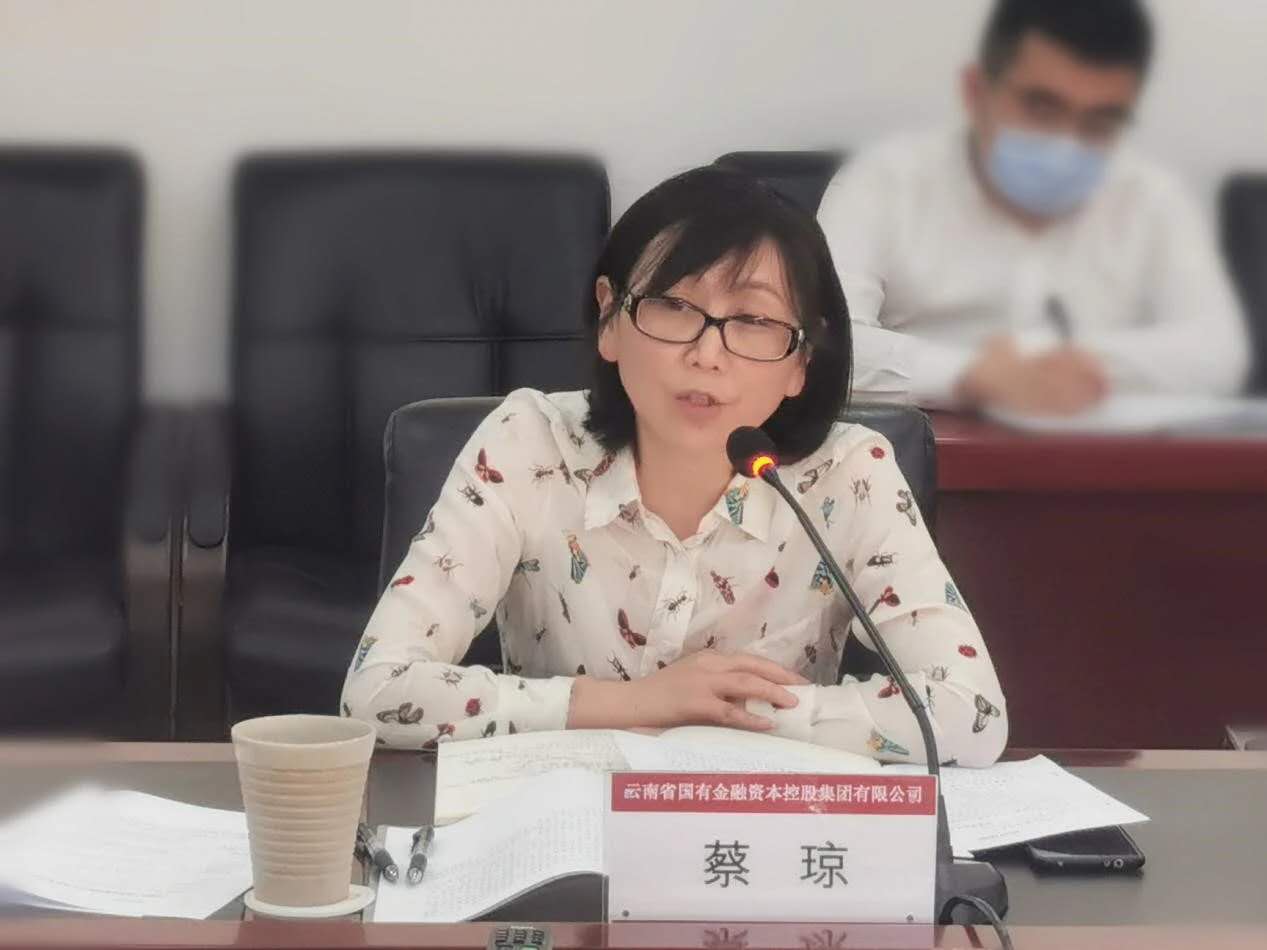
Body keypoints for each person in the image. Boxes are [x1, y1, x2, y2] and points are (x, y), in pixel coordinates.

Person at [342, 167, 1007, 766]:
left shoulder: (848, 474)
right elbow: (376, 690)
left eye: (753, 320)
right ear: (609, 317)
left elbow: (971, 714)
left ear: (801, 361)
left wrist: (730, 712)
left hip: (765, 837)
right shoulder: (529, 445)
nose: (707, 355)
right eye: (675, 307)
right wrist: (639, 703)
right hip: (565, 825)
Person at [817, 0, 1250, 413]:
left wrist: (1053, 364)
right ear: (976, 92)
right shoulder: (882, 183)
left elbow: (1218, 352)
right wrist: (969, 375)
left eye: (1099, 121)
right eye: (1042, 109)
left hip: (1101, 451)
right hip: (915, 454)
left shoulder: (1152, 198)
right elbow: (817, 343)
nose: (1067, 142)